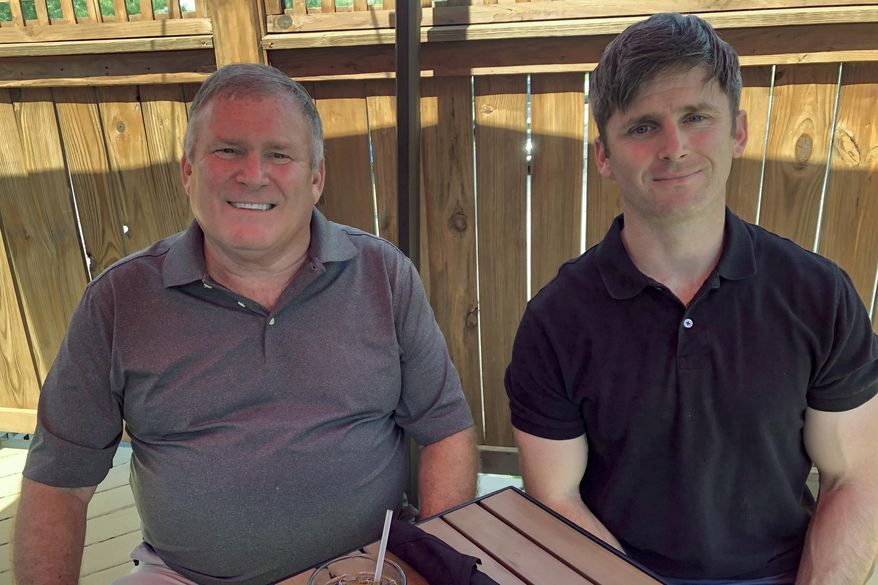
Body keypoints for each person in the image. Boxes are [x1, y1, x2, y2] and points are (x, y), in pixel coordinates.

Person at [13, 63, 477, 585]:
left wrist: (436, 561)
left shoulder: (383, 275)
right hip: (184, 576)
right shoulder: (119, 301)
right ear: (188, 171)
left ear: (316, 178)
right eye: (228, 150)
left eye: (279, 154)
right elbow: (60, 482)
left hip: (368, 568)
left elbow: (445, 429)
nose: (253, 174)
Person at [505, 13, 878, 585]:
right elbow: (555, 498)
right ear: (604, 155)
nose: (674, 147)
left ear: (738, 131)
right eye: (642, 127)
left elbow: (856, 476)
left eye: (696, 118)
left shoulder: (818, 295)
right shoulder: (556, 321)